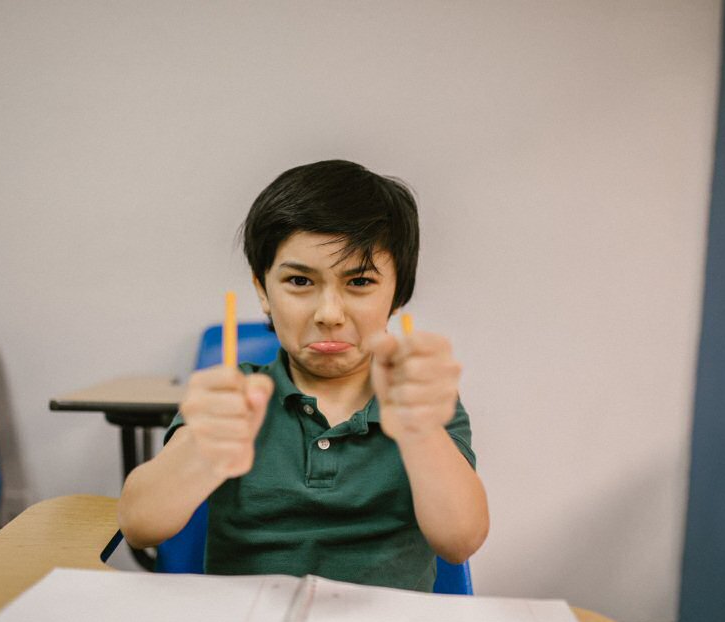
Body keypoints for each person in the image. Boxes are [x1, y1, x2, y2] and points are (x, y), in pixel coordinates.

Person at [117, 160, 489, 591]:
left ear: (398, 294)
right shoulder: (235, 394)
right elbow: (140, 526)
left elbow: (460, 541)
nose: (329, 314)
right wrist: (203, 451)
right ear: (263, 291)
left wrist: (421, 433)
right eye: (298, 280)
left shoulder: (418, 398)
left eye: (361, 281)